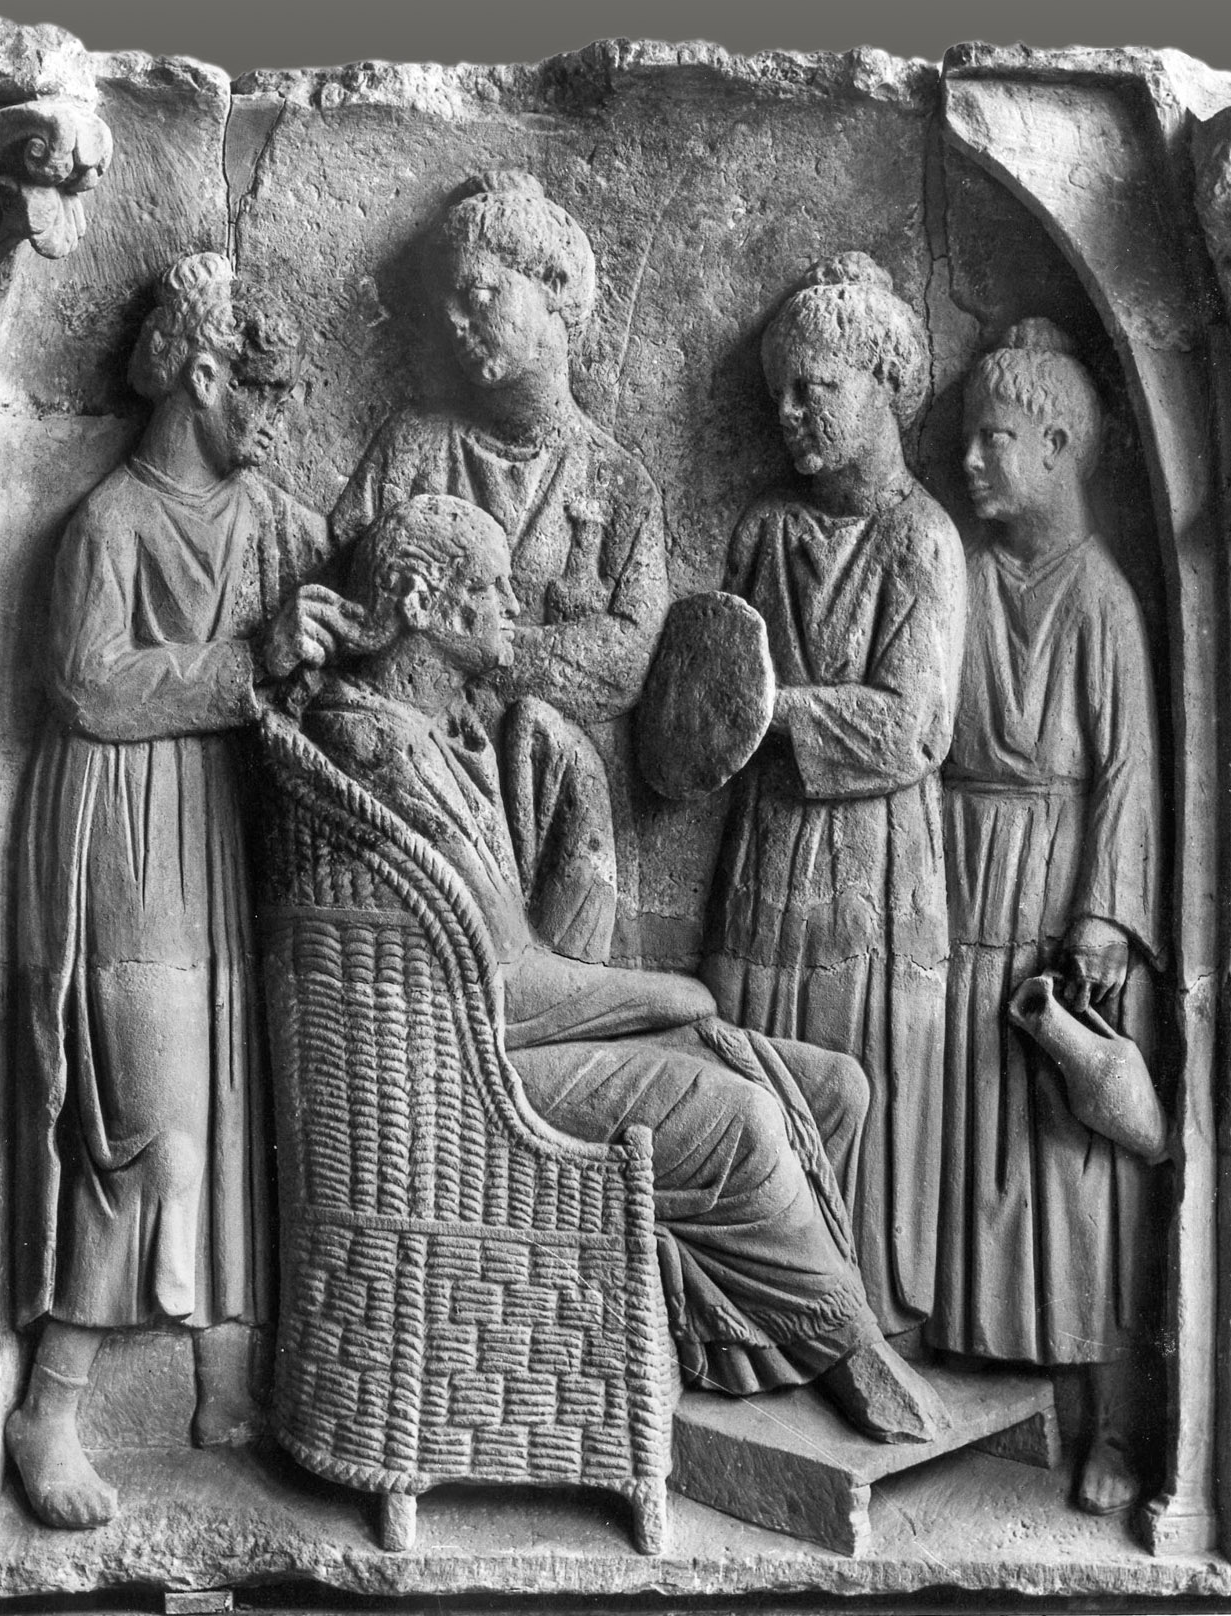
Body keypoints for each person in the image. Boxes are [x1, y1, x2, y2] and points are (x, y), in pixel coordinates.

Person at [300, 492, 942, 1440]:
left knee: (834, 1088)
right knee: (741, 1119)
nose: (513, 606)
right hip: (469, 1074)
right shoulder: (378, 748)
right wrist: (669, 995)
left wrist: (546, 767)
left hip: (509, 1029)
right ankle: (848, 1345)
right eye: (491, 588)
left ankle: (745, 1347)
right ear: (423, 604)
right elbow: (506, 986)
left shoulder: (440, 730)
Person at [6, 252, 362, 1530]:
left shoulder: (264, 513)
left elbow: (345, 593)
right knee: (144, 1119)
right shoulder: (109, 522)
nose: (276, 416)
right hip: (124, 824)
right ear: (203, 375)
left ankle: (222, 1384)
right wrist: (249, 658)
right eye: (261, 390)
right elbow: (86, 684)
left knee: (228, 1093)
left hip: (215, 825)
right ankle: (50, 1405)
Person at [701, 254, 966, 1338]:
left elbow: (914, 726)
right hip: (768, 842)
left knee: (865, 1070)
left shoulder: (921, 537)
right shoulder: (765, 528)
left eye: (814, 387)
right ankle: (761, 1305)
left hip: (875, 852)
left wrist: (773, 712)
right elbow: (713, 673)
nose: (789, 412)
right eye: (779, 393)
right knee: (756, 1056)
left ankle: (861, 1317)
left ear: (882, 382)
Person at [931, 318, 1165, 1516]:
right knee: (968, 1144)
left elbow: (1127, 771)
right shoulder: (965, 574)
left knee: (1072, 1172)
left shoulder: (1102, 597)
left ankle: (1104, 1417)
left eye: (994, 438)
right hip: (960, 873)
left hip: (1059, 888)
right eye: (967, 438)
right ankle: (977, 1394)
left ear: (1058, 447)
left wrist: (1104, 916)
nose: (970, 459)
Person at [333, 171, 668, 963]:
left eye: (478, 294)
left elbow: (626, 659)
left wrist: (474, 645)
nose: (457, 320)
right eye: (445, 302)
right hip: (419, 791)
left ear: (552, 287)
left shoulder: (617, 483)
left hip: (553, 797)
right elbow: (351, 594)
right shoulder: (412, 448)